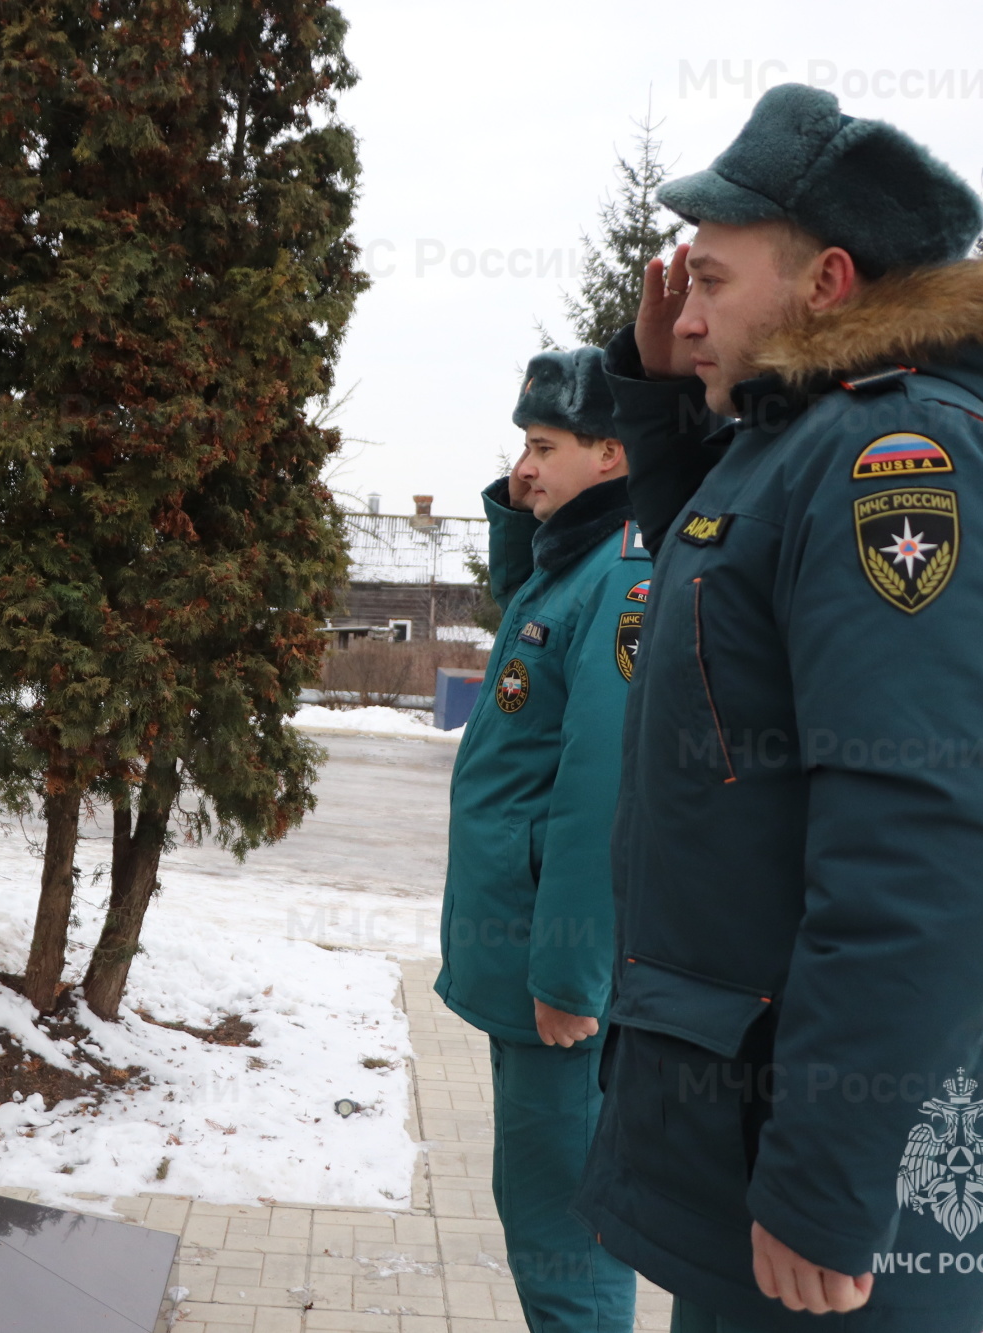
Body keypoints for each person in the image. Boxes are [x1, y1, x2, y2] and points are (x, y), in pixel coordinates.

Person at [571, 83, 983, 1333]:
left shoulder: (903, 456)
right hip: (762, 1127)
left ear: (825, 285)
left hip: (839, 1158)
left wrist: (827, 1170)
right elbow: (721, 573)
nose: (682, 313)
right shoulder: (801, 442)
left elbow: (932, 835)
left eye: (709, 281)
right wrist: (655, 393)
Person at [438, 346, 649, 1332]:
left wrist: (570, 976)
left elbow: (601, 792)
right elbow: (515, 585)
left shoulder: (619, 576)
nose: (520, 467)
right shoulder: (567, 568)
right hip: (521, 966)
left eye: (540, 445)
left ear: (611, 452)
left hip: (550, 982)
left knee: (561, 1234)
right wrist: (520, 499)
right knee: (539, 1214)